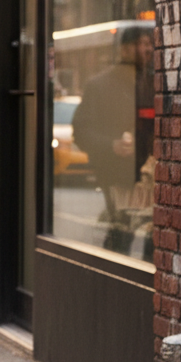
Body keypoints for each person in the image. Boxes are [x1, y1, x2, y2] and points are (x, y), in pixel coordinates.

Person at [72, 26, 155, 256]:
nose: (148, 49)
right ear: (125, 50)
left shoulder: (155, 82)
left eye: (150, 43)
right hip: (119, 176)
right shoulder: (100, 86)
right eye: (143, 43)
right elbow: (81, 131)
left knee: (156, 238)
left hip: (154, 177)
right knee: (121, 238)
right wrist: (112, 146)